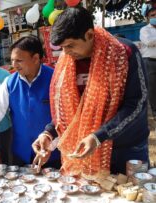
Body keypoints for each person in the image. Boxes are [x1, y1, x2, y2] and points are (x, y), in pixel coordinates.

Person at [32, 7, 149, 178]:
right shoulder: (67, 63)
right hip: (85, 150)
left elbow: (137, 104)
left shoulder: (124, 53)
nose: (66, 53)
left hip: (125, 149)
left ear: (89, 35)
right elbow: (68, 108)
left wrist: (99, 136)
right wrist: (49, 133)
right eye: (62, 48)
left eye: (70, 45)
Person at [0, 36, 61, 167]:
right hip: (20, 154)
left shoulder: (55, 79)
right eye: (12, 60)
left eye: (19, 60)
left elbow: (63, 118)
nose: (14, 65)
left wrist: (51, 146)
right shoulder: (10, 82)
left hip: (52, 154)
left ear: (36, 58)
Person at [140, 0, 156, 117]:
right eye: (152, 15)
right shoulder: (144, 30)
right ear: (148, 18)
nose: (155, 17)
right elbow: (150, 42)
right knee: (153, 88)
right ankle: (155, 112)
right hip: (150, 62)